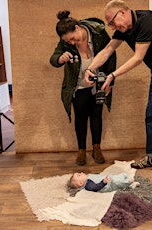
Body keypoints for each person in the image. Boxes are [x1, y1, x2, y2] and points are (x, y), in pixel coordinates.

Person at [84, 0, 152, 182]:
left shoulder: (147, 21)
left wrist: (112, 75)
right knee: (151, 115)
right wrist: (90, 69)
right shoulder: (123, 29)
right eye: (109, 24)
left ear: (123, 12)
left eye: (112, 22)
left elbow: (138, 58)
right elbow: (108, 50)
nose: (112, 27)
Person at [50, 10, 117, 165]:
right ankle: (81, 150)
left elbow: (111, 53)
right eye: (68, 42)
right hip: (79, 86)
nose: (72, 43)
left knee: (97, 116)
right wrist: (60, 58)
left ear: (77, 28)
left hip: (98, 84)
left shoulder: (98, 33)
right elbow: (53, 59)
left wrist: (110, 80)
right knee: (80, 118)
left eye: (73, 39)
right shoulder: (66, 41)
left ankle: (96, 148)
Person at [69, 172, 138, 192]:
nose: (81, 172)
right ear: (81, 183)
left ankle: (130, 185)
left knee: (122, 175)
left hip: (109, 178)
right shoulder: (88, 185)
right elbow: (96, 187)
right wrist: (103, 182)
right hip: (109, 185)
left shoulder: (88, 177)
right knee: (116, 181)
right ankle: (128, 183)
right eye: (79, 175)